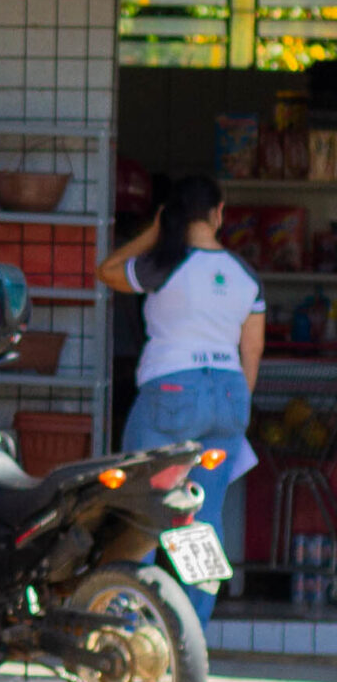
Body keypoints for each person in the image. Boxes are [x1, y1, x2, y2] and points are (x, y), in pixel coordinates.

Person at [100, 172, 263, 625]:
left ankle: (129, 622)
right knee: (204, 517)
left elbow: (107, 271)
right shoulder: (244, 275)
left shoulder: (164, 264)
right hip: (229, 395)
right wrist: (233, 407)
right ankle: (192, 629)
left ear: (172, 214)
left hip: (172, 392)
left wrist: (151, 234)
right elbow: (252, 350)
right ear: (218, 213)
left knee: (142, 507)